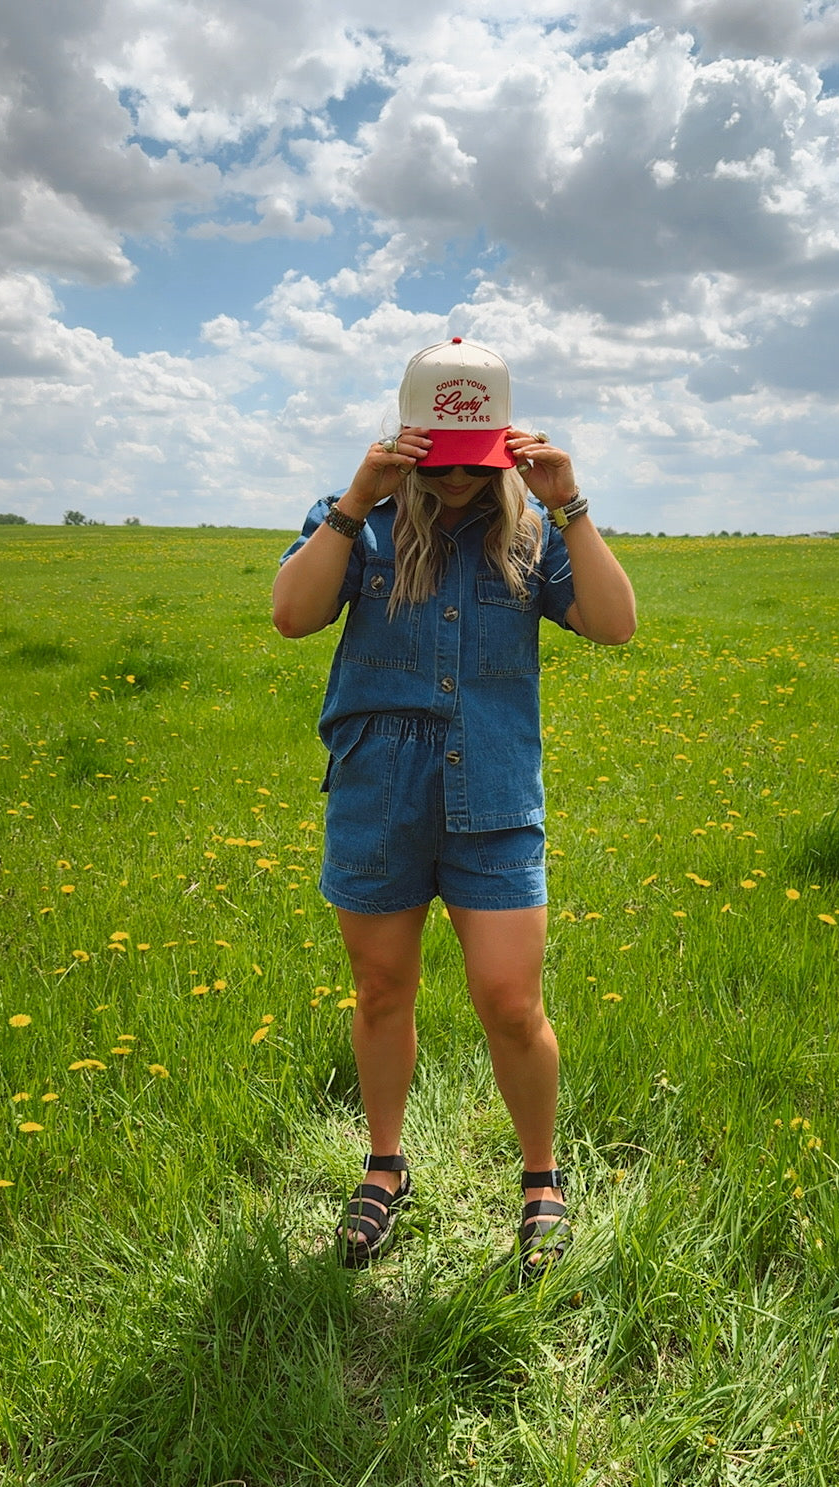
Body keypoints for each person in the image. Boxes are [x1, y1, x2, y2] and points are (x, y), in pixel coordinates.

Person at [273, 337, 636, 1282]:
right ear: (408, 444)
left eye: (477, 467)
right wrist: (356, 503)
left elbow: (613, 623)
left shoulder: (532, 535)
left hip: (496, 794)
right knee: (383, 989)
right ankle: (385, 1166)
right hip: (378, 791)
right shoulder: (360, 523)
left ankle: (542, 1178)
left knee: (512, 1002)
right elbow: (292, 613)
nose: (461, 484)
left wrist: (570, 503)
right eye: (442, 465)